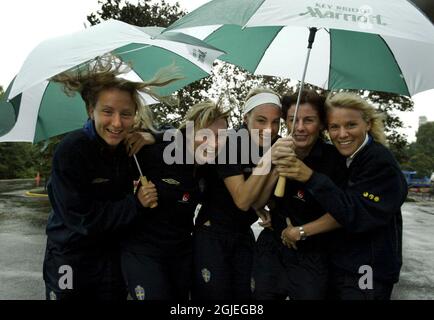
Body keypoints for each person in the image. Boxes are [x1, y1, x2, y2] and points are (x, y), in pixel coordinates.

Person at [42, 57, 181, 300]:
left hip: (112, 258)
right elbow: (82, 219)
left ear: (135, 115)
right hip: (68, 257)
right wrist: (136, 204)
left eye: (126, 114)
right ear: (90, 110)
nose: (117, 123)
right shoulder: (72, 150)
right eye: (107, 112)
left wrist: (154, 137)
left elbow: (187, 137)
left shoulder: (131, 145)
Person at [274, 92, 407, 300]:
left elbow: (355, 213)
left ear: (368, 124)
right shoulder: (346, 159)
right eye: (334, 127)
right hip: (339, 266)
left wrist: (309, 178)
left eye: (351, 125)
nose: (342, 134)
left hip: (366, 271)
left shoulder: (380, 162)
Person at [121, 101, 230, 300]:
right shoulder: (156, 153)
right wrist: (136, 201)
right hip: (144, 251)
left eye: (220, 137)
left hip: (181, 253)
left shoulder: (211, 167)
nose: (214, 143)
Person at [252, 90, 347, 300]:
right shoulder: (277, 148)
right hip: (271, 249)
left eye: (309, 120)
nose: (300, 127)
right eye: (293, 120)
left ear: (321, 124)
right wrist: (275, 165)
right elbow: (258, 201)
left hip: (313, 253)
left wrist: (301, 231)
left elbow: (345, 211)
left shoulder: (335, 159)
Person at [191, 88, 281, 300]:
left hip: (243, 234)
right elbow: (242, 200)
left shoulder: (276, 144)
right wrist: (270, 160)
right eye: (261, 120)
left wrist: (266, 208)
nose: (269, 129)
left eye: (276, 122)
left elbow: (258, 198)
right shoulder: (229, 143)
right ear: (245, 118)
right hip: (213, 234)